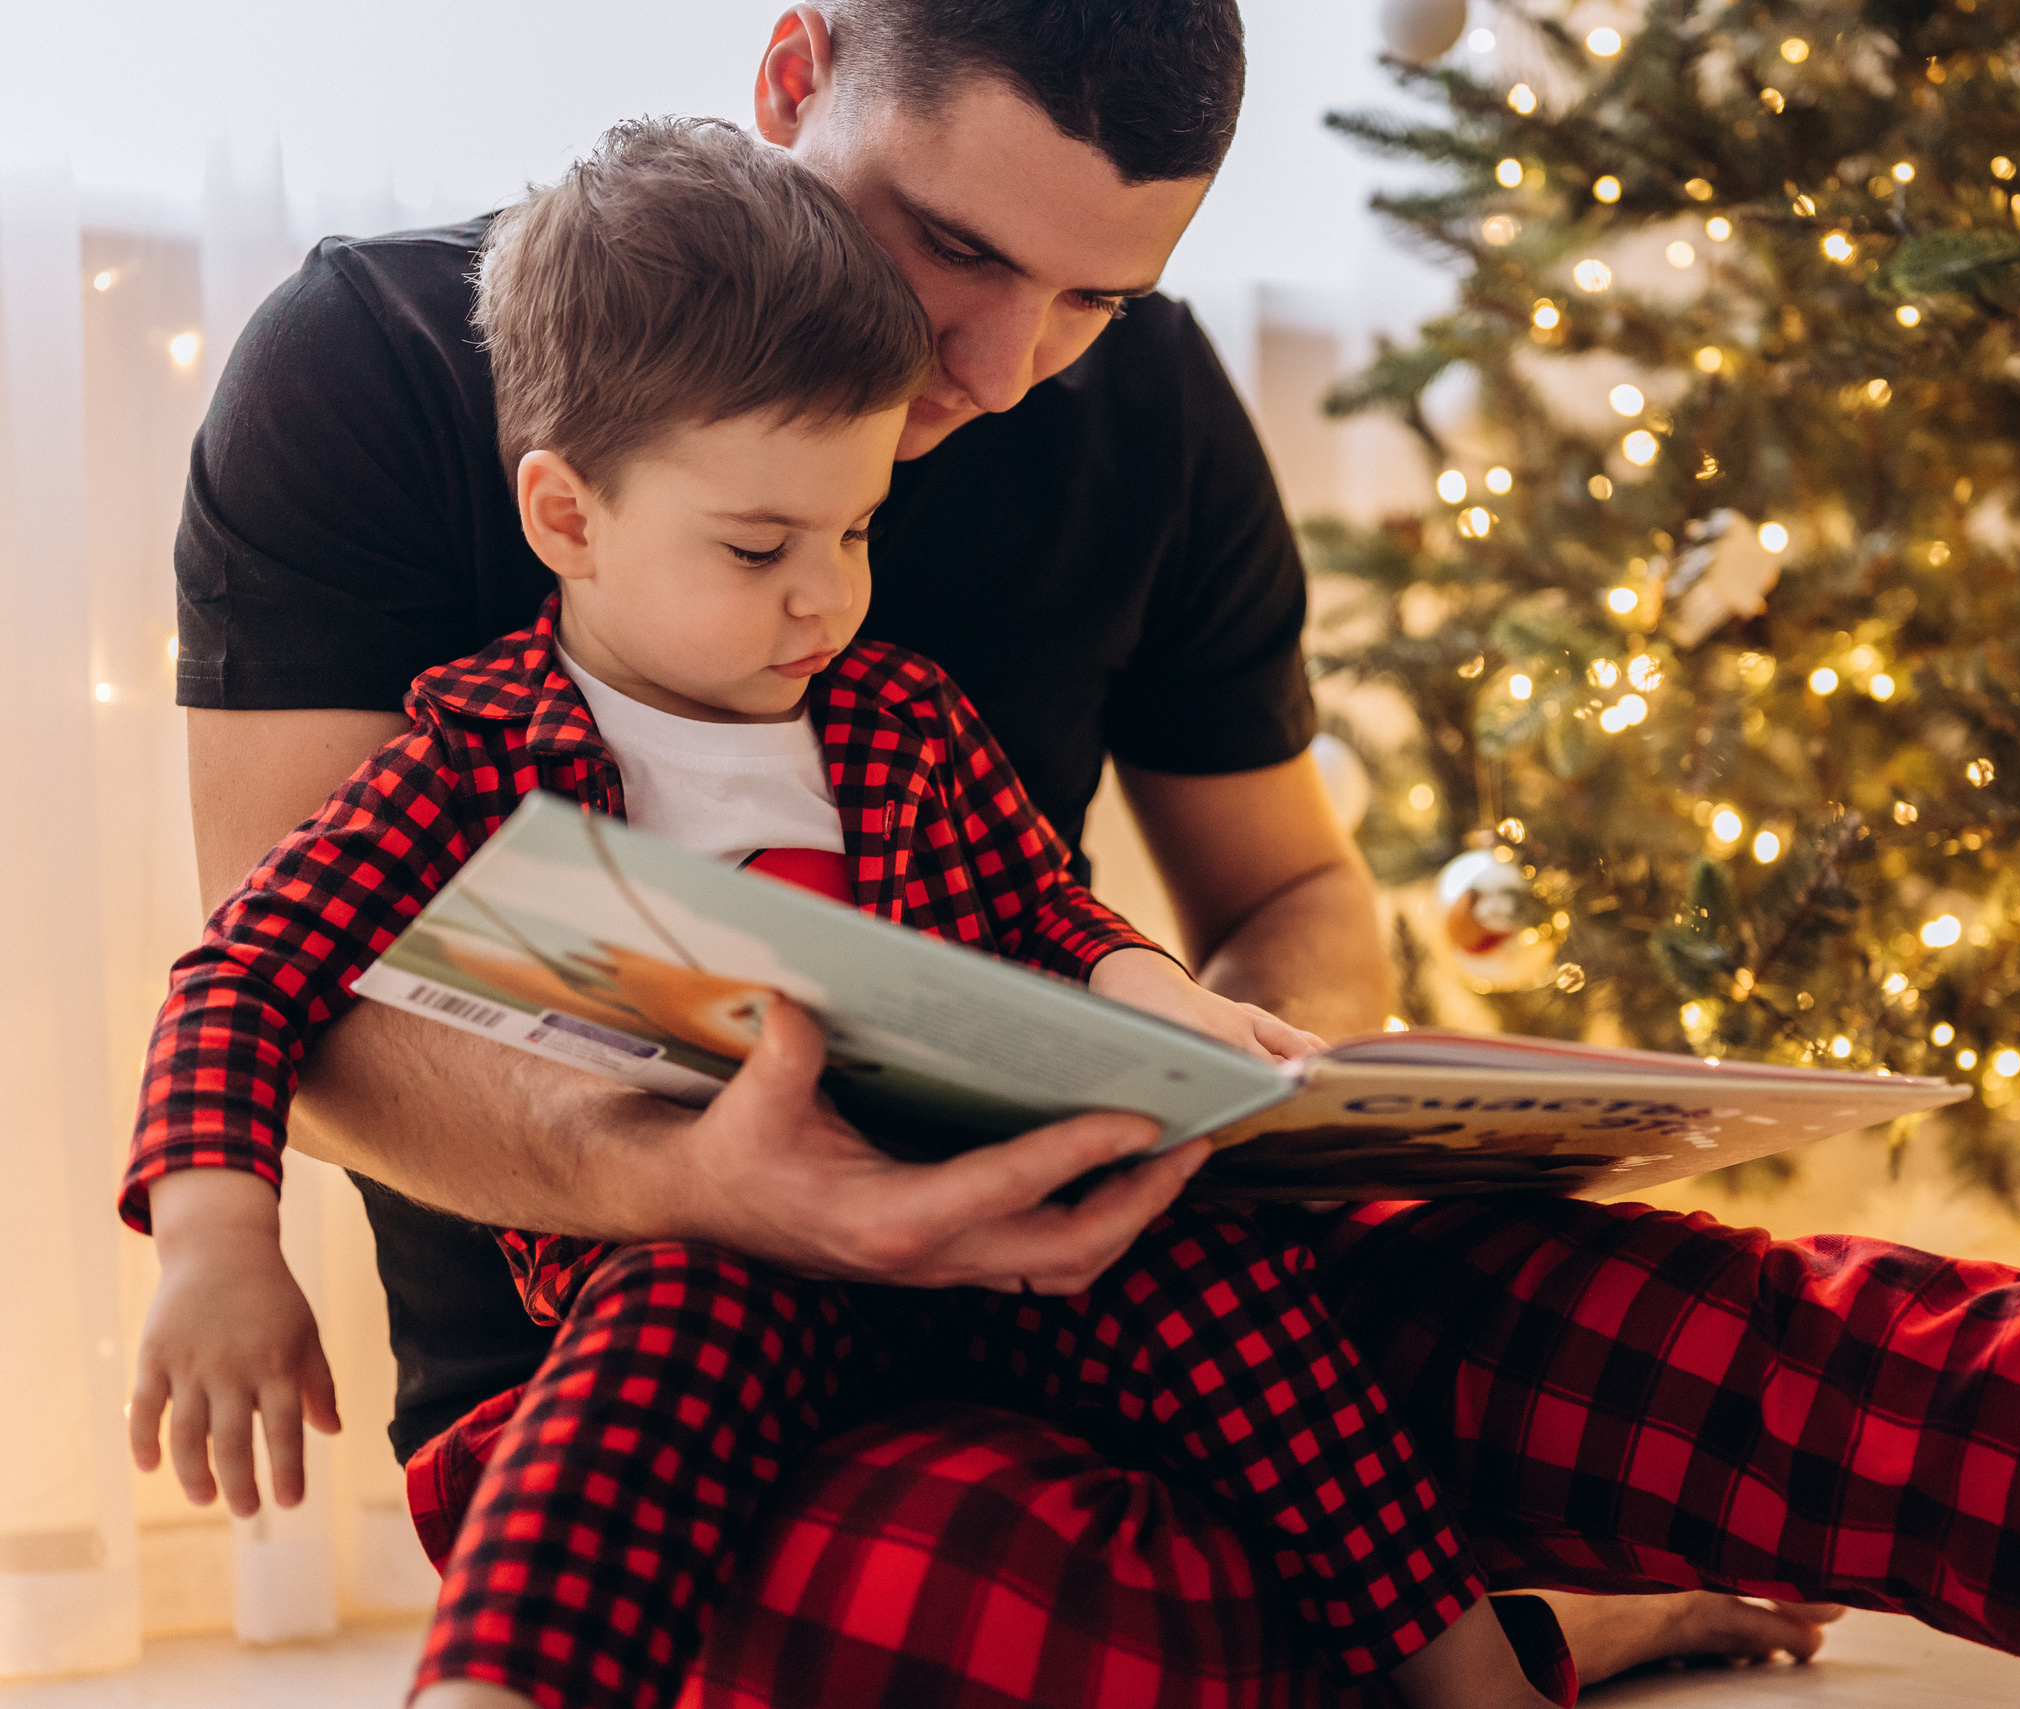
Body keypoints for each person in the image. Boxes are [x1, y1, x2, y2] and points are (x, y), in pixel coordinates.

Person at [161, 3, 2020, 1706]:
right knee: (1024, 1634)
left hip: (1126, 1251)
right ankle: (1573, 1611)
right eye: (952, 252)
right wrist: (714, 1192)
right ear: (799, 73)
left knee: (1847, 1362)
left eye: (1097, 292)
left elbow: (1277, 893)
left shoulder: (1135, 415)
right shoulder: (385, 368)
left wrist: (1249, 1067)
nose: (997, 365)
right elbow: (324, 999)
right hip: (646, 1354)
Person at [129, 115, 1597, 1709]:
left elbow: (1041, 906)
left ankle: (1469, 1665)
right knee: (652, 1363)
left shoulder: (893, 716)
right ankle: (498, 1689)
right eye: (762, 546)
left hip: (987, 1234)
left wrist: (1151, 995)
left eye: (856, 532)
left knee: (1220, 1292)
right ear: (568, 519)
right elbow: (247, 968)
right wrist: (217, 1235)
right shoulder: (478, 746)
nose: (826, 595)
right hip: (707, 1247)